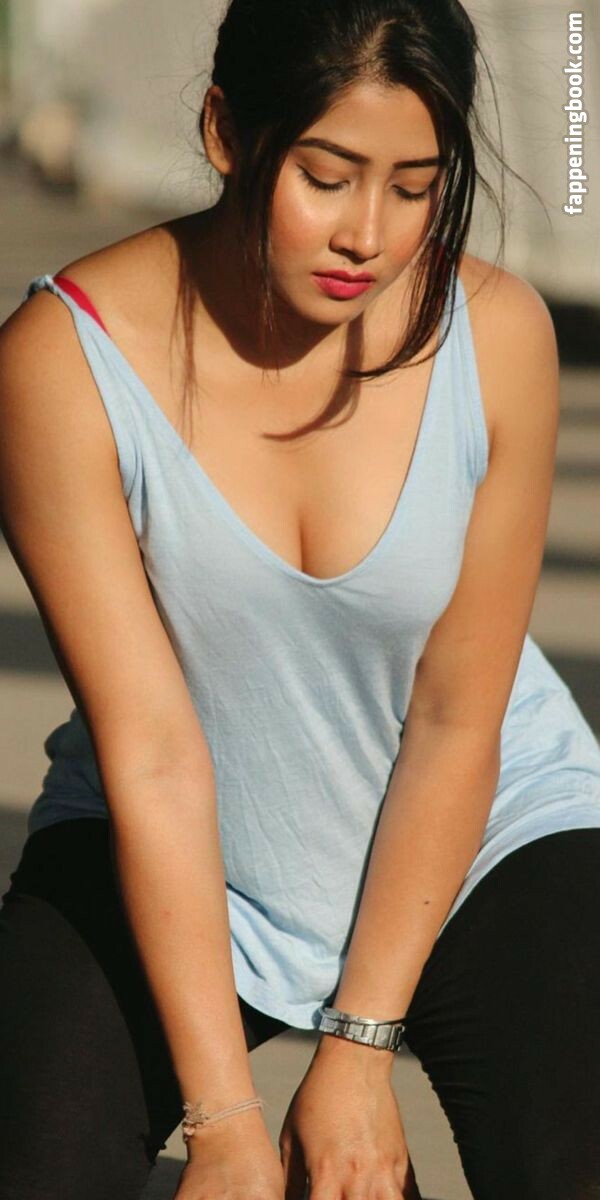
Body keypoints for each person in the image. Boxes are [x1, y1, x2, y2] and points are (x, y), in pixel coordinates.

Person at [0, 1, 599, 1197]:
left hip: (479, 822)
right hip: (176, 830)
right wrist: (226, 1126)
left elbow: (457, 717)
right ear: (227, 132)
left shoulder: (498, 335)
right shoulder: (63, 361)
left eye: (415, 187)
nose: (367, 235)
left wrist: (359, 1052)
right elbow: (152, 750)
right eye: (326, 177)